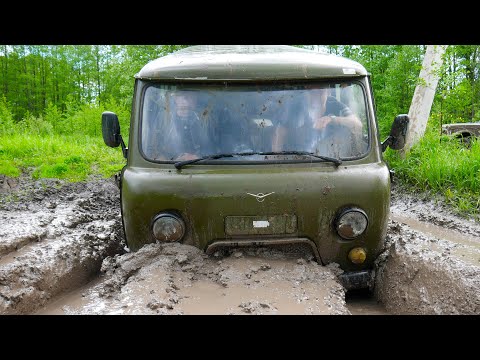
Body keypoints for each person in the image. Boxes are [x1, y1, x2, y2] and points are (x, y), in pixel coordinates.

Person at [271, 87, 363, 157]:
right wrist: (276, 158)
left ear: (328, 93)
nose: (316, 97)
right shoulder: (295, 107)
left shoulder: (335, 105)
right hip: (298, 158)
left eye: (320, 92)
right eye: (312, 92)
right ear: (306, 93)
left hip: (330, 159)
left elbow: (357, 124)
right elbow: (280, 131)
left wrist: (332, 119)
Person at [159, 91, 212, 161]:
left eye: (191, 97)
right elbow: (152, 149)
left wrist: (199, 157)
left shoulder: (206, 120)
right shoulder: (163, 119)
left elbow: (213, 147)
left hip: (201, 165)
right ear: (175, 98)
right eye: (182, 96)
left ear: (196, 100)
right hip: (170, 166)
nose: (186, 102)